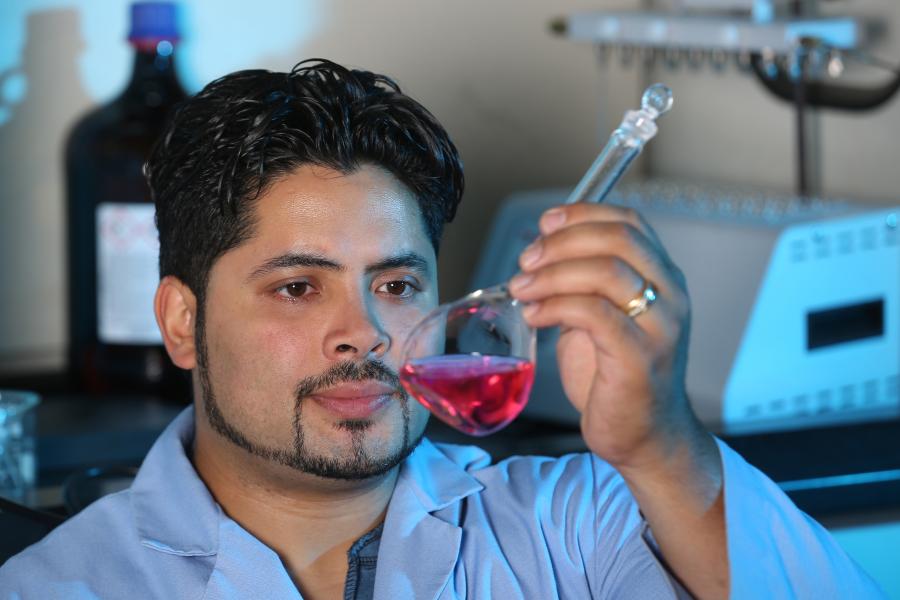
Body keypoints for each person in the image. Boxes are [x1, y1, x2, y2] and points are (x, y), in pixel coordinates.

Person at [0, 59, 885, 600]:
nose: (366, 334)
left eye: (394, 281)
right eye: (298, 288)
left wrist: (659, 446)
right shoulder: (58, 587)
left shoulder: (578, 527)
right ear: (182, 322)